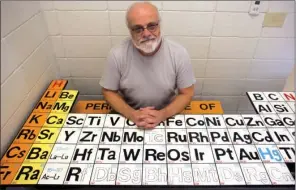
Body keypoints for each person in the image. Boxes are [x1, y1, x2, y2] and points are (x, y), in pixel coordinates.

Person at [100, 1, 196, 128]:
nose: (146, 34)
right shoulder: (116, 54)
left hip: (168, 114)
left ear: (159, 25)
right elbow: (108, 91)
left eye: (152, 26)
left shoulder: (179, 53)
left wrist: (163, 114)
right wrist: (131, 114)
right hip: (129, 115)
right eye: (138, 28)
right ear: (130, 30)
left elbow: (187, 93)